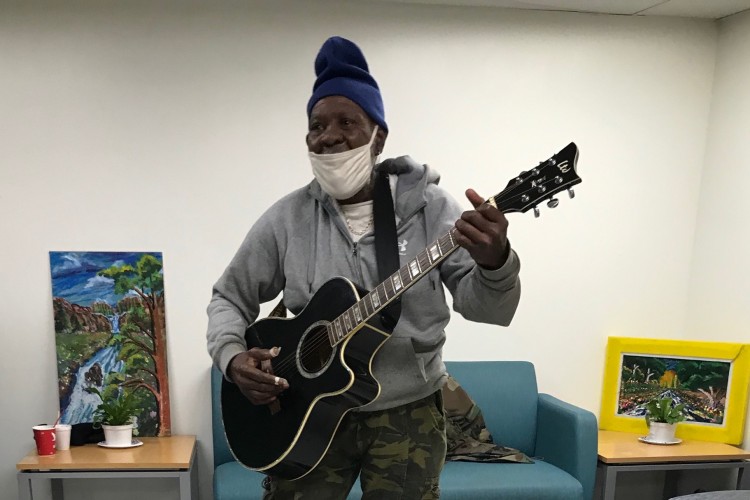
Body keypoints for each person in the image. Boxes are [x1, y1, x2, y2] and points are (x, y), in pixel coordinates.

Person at [207, 36, 521, 500]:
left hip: (408, 414)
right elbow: (229, 297)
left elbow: (489, 309)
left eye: (346, 122)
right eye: (317, 125)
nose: (329, 134)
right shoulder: (287, 218)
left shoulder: (434, 210)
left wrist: (495, 261)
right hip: (302, 411)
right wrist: (232, 358)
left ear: (379, 135)